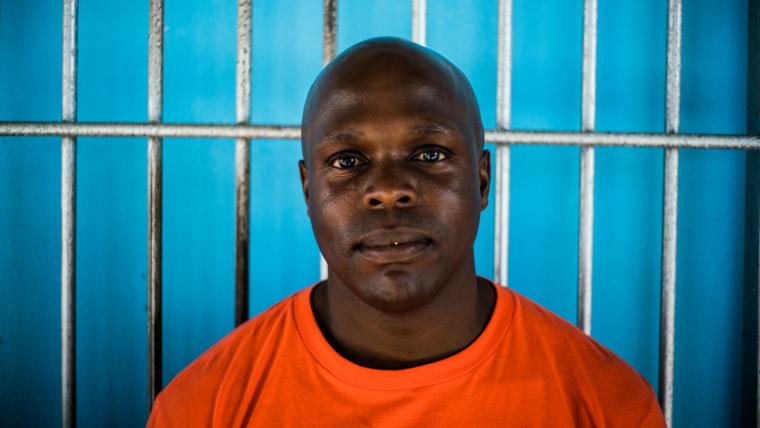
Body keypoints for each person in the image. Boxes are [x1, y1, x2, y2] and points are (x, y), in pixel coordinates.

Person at [147, 37, 666, 427]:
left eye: (429, 154)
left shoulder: (606, 403)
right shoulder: (205, 406)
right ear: (308, 192)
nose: (389, 190)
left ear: (481, 180)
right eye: (348, 161)